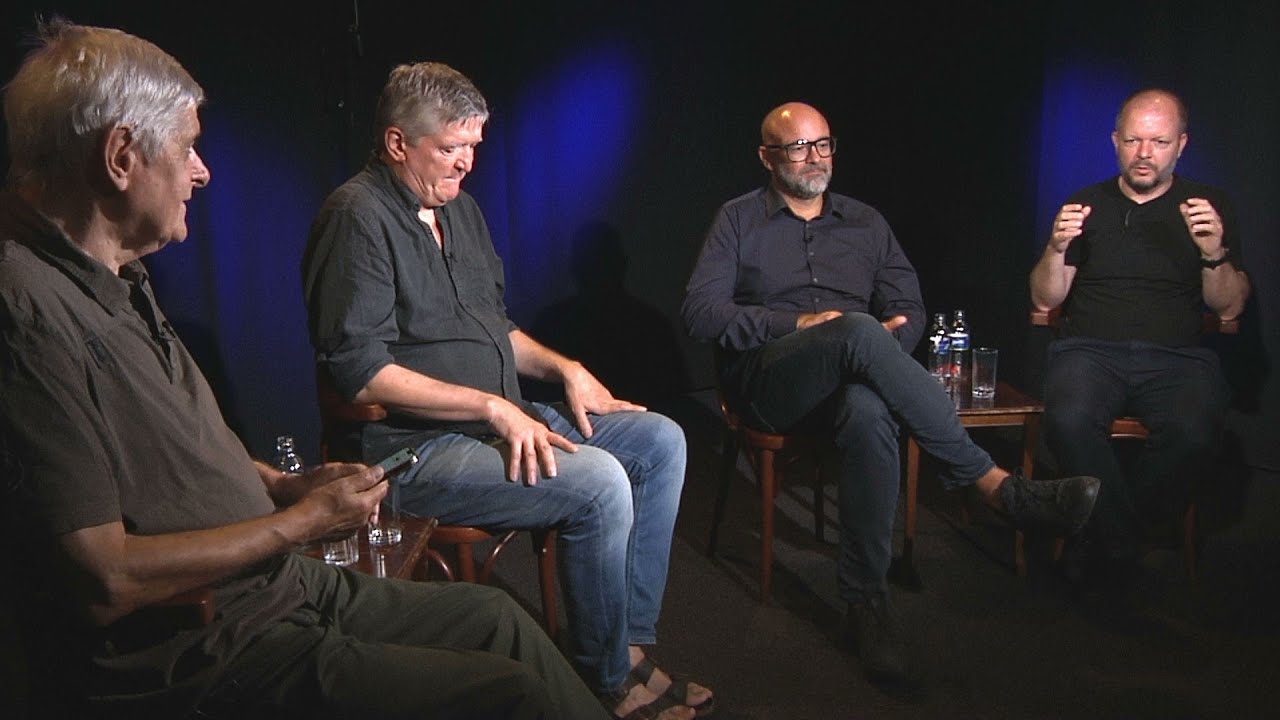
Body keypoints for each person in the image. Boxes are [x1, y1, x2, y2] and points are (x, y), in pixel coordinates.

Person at [0, 20, 605, 719]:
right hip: (210, 645)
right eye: (189, 148)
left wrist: (287, 485)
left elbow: (179, 457)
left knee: (495, 621)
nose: (203, 171)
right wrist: (303, 521)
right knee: (510, 695)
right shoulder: (27, 313)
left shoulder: (119, 274)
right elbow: (105, 577)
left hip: (273, 583)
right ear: (121, 156)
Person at [301, 62, 711, 720]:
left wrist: (565, 368)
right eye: (451, 149)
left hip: (500, 419)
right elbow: (359, 370)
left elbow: (496, 329)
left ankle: (625, 648)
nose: (466, 164)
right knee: (600, 483)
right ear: (398, 143)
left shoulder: (459, 211)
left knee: (660, 440)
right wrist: (491, 405)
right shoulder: (356, 217)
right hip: (412, 450)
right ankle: (603, 683)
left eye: (473, 148)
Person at [682, 102, 1101, 683]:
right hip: (768, 380)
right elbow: (701, 313)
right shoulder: (737, 220)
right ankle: (995, 487)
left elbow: (907, 309)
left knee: (869, 408)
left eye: (824, 144)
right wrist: (799, 326)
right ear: (766, 157)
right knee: (852, 327)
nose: (815, 157)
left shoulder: (866, 222)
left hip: (851, 380)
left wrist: (880, 353)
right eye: (798, 147)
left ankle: (866, 603)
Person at [1029, 88, 1250, 582]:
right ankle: (1128, 544)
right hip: (1090, 352)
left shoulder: (1207, 206)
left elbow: (1230, 306)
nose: (1144, 153)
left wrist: (1214, 252)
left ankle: (1104, 540)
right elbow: (1045, 300)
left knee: (1196, 430)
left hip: (1177, 358)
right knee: (1067, 418)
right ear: (1114, 141)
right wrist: (1055, 246)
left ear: (1181, 144)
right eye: (1133, 140)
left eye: (1159, 141)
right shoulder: (1084, 203)